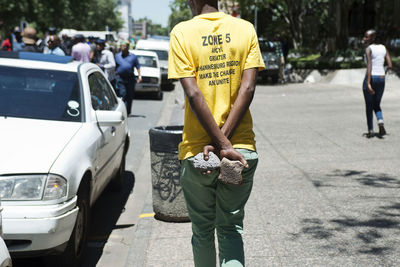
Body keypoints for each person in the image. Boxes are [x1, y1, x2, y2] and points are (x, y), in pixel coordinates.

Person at [168, 0, 265, 266]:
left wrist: (219, 143)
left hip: (199, 154)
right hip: (240, 152)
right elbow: (247, 90)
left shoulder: (182, 33)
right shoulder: (245, 29)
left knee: (202, 231)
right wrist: (227, 144)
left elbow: (193, 92)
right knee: (230, 228)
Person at [362, 29, 392, 138]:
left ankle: (370, 130)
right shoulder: (383, 48)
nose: (364, 38)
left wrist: (368, 83)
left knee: (369, 105)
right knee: (377, 104)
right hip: (381, 78)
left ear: (373, 38)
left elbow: (369, 65)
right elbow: (390, 65)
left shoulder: (369, 49)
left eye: (366, 37)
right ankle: (380, 122)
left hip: (371, 77)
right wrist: (383, 72)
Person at [115, 41, 142, 115]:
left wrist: (139, 76)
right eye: (121, 46)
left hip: (130, 79)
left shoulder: (133, 56)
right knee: (122, 94)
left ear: (128, 47)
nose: (123, 48)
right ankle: (122, 111)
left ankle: (128, 111)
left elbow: (138, 67)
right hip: (120, 78)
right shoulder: (117, 56)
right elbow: (114, 67)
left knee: (130, 96)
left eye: (124, 46)